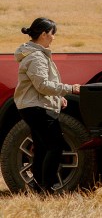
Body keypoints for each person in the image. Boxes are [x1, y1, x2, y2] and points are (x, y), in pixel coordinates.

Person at [14, 17, 81, 194]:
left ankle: (39, 187)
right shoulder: (36, 57)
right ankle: (48, 187)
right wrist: (70, 89)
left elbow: (38, 87)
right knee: (56, 146)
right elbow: (42, 85)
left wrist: (58, 98)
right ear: (44, 34)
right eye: (52, 34)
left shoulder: (34, 54)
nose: (54, 38)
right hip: (38, 109)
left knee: (42, 147)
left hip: (33, 106)